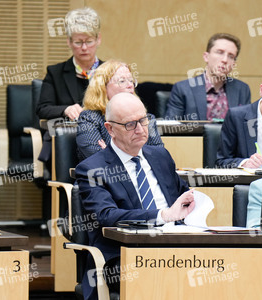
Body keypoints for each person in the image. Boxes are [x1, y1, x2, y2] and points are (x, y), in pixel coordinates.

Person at [76, 93, 195, 299]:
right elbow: (107, 215)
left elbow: (182, 196)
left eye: (143, 120)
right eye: (130, 124)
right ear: (110, 129)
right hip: (125, 256)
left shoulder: (160, 156)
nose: (140, 129)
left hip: (175, 248)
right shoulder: (91, 169)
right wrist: (162, 215)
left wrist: (194, 203)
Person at [36, 7, 103, 162]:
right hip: (66, 143)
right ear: (69, 41)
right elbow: (43, 109)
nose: (84, 48)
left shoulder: (110, 71)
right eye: (78, 42)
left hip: (103, 140)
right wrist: (66, 109)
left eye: (89, 41)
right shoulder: (55, 72)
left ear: (98, 39)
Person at [76, 59, 163, 161]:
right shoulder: (90, 118)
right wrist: (138, 154)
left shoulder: (147, 118)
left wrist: (111, 152)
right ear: (103, 87)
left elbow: (159, 155)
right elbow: (97, 158)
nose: (130, 85)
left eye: (131, 81)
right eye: (122, 81)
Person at [165, 33, 251, 120]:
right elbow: (170, 128)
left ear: (233, 64)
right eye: (220, 52)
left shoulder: (242, 89)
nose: (225, 60)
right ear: (206, 57)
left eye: (231, 56)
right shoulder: (183, 89)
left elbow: (246, 126)